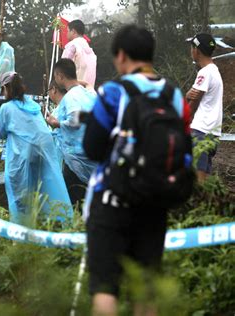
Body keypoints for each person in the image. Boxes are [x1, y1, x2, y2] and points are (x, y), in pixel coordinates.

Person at [82, 25, 192, 315]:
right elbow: (186, 152)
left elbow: (92, 148)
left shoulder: (113, 92)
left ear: (121, 56)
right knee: (146, 292)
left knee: (105, 289)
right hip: (155, 202)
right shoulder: (174, 96)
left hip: (111, 200)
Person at [0, 71, 72, 225]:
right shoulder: (33, 104)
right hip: (43, 150)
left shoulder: (6, 108)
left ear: (6, 88)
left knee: (19, 190)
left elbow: (0, 133)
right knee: (42, 186)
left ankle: (21, 228)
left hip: (22, 153)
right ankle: (53, 221)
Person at [46, 58, 97, 206]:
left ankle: (74, 227)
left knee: (74, 199)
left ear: (60, 76)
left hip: (76, 159)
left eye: (55, 76)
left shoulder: (71, 96)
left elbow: (75, 119)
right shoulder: (88, 94)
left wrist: (57, 123)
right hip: (91, 155)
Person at [185, 33, 223, 184]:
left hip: (201, 131)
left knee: (197, 181)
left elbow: (194, 100)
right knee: (204, 182)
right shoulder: (215, 71)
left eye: (191, 47)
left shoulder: (205, 72)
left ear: (196, 51)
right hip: (213, 133)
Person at [62, 19, 97, 89]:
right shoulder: (90, 51)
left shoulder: (72, 46)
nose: (66, 34)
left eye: (68, 31)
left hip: (74, 92)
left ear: (73, 32)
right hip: (89, 91)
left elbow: (62, 68)